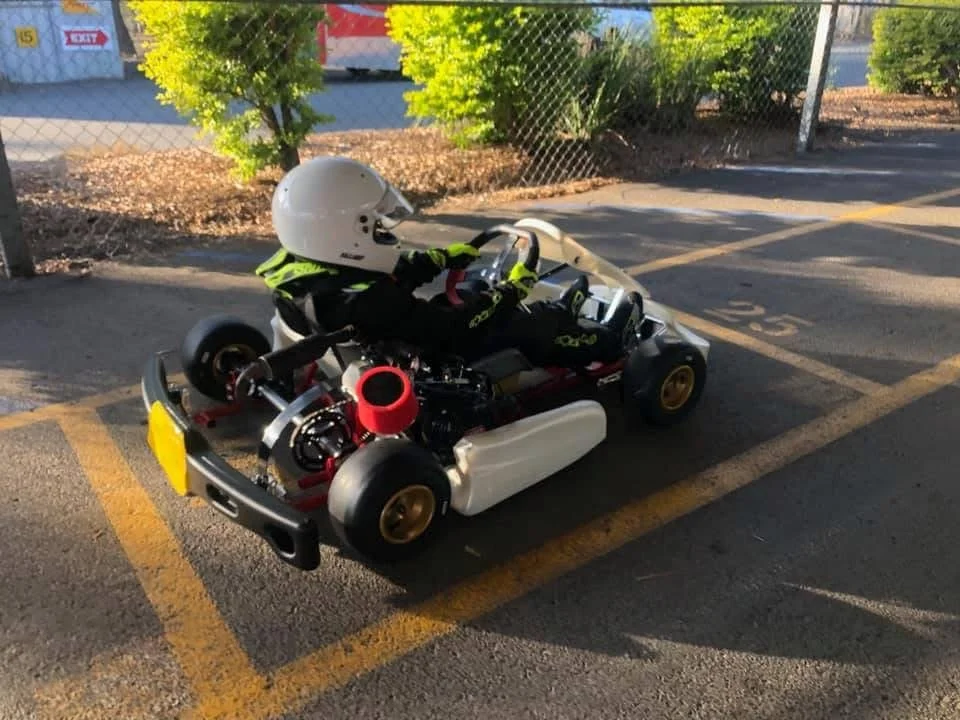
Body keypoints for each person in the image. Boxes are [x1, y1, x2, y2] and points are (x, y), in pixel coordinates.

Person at [237, 156, 639, 392]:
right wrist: (512, 292)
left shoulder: (307, 276)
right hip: (435, 360)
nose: (385, 232)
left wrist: (442, 258)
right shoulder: (370, 301)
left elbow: (391, 276)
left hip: (394, 341)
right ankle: (607, 340)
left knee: (474, 285)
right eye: (376, 226)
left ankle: (557, 311)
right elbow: (454, 328)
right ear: (342, 231)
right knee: (533, 325)